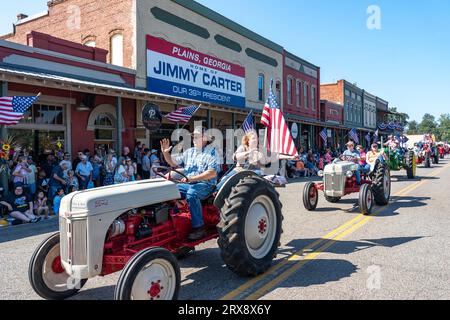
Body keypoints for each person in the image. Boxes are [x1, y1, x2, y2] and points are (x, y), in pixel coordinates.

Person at [160, 127, 219, 241]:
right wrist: (166, 153)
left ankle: (199, 228)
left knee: (192, 194)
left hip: (206, 185)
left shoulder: (212, 152)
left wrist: (191, 178)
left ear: (205, 138)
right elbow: (173, 162)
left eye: (197, 136)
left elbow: (212, 173)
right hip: (189, 183)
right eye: (194, 137)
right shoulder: (189, 152)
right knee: (169, 189)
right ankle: (173, 222)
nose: (194, 139)